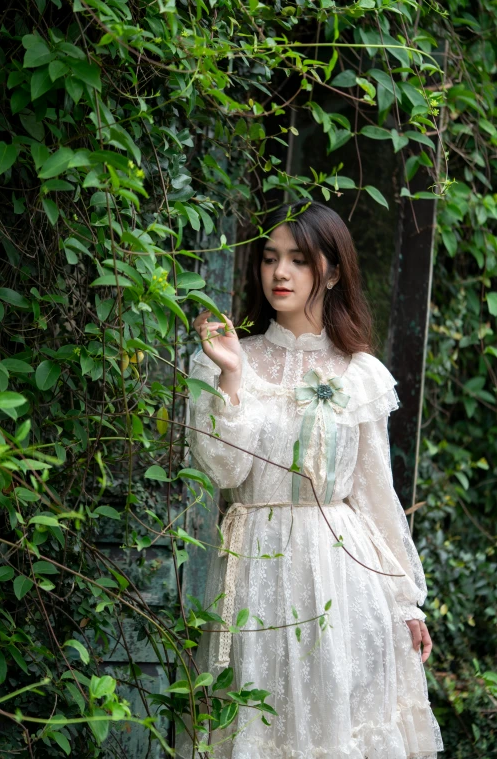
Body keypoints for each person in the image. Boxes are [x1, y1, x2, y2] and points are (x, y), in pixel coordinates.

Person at [176, 200, 444, 758]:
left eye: (299, 259)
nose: (280, 273)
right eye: (270, 258)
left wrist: (405, 602)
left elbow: (376, 496)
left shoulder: (360, 374)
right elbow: (224, 470)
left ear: (334, 270)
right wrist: (229, 375)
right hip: (254, 570)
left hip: (342, 583)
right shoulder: (228, 358)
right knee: (254, 731)